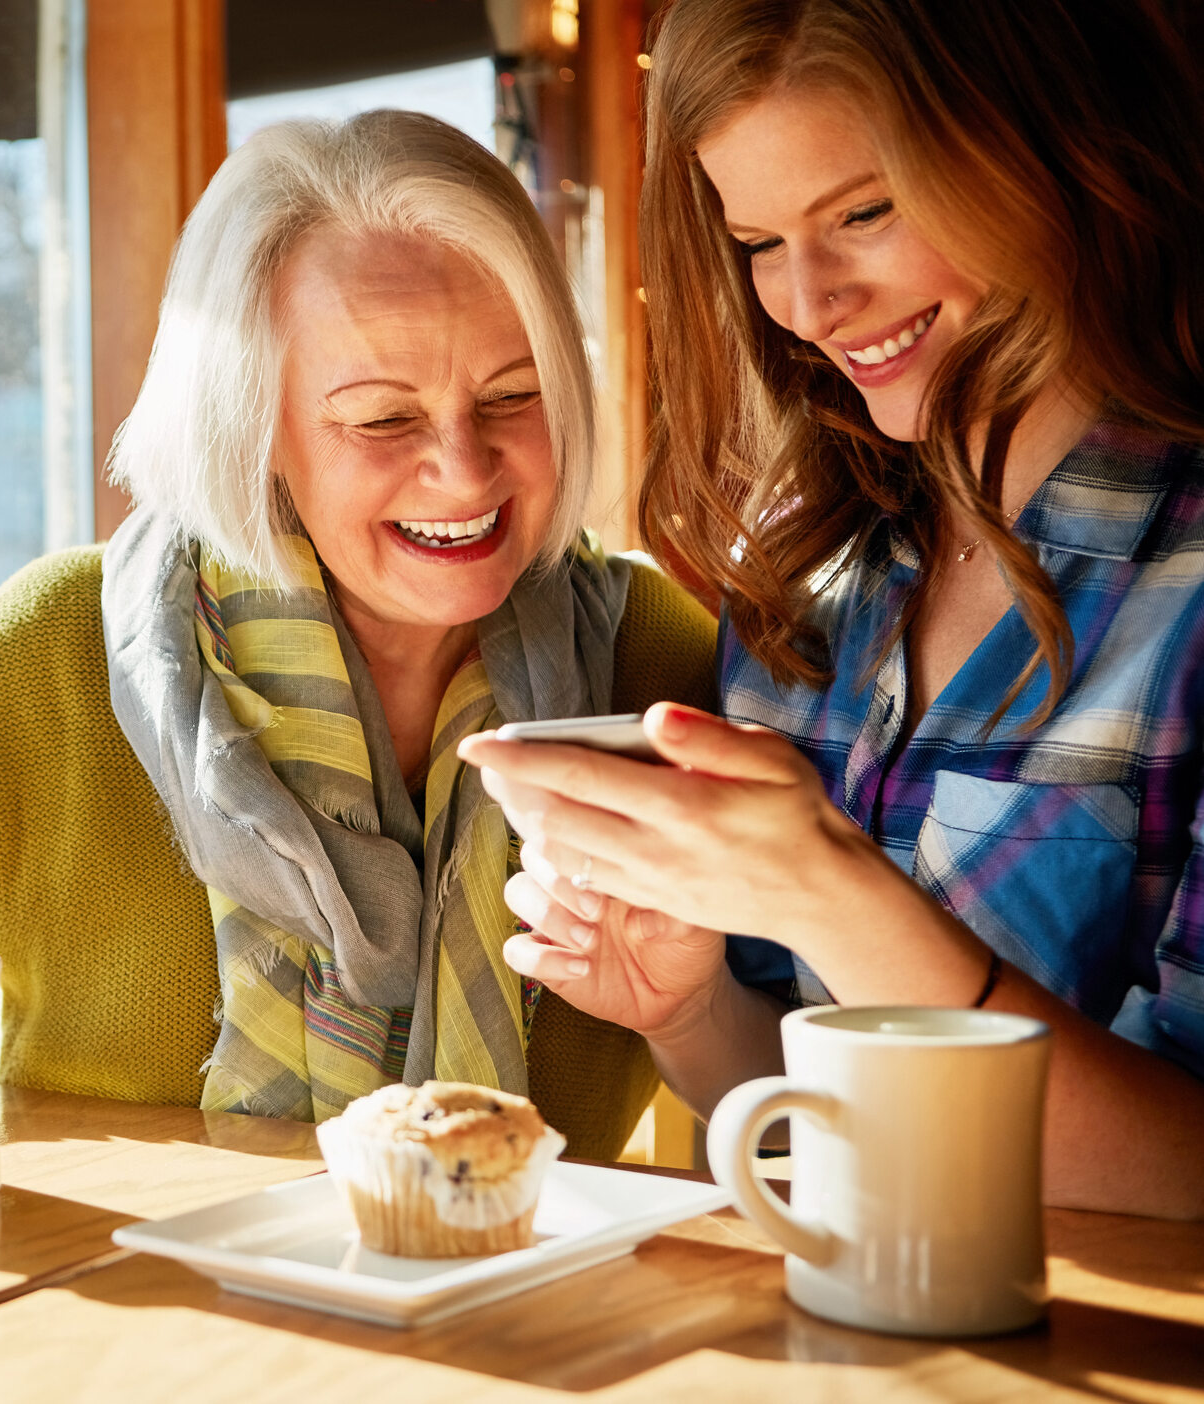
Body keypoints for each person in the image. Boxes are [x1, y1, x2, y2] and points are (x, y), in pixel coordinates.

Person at [0, 112, 718, 1161]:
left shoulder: (655, 661)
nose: (464, 469)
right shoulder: (50, 654)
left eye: (511, 396)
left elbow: (789, 1036)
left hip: (525, 1331)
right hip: (118, 1333)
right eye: (382, 418)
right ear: (253, 427)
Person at [464, 0, 1204, 1218]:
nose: (806, 303)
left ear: (1047, 146)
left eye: (863, 212)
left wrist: (833, 897)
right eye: (755, 239)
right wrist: (691, 1007)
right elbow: (808, 1119)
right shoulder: (810, 578)